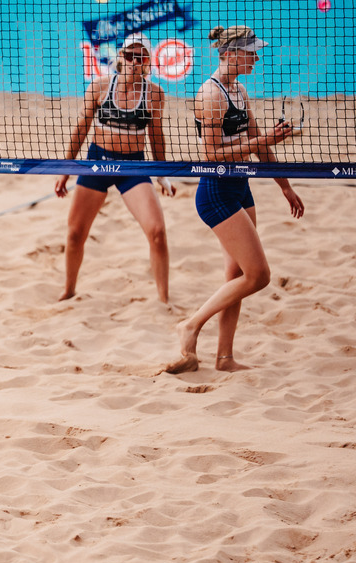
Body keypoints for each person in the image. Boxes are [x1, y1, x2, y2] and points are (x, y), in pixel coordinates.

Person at [166, 26, 304, 374]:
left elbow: (260, 142)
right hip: (215, 191)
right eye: (251, 51)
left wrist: (284, 186)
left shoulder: (238, 90)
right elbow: (212, 154)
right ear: (230, 54)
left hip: (241, 186)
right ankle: (190, 325)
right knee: (258, 276)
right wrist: (261, 142)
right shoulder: (210, 95)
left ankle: (224, 358)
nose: (257, 57)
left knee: (237, 273)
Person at [54, 33, 176, 304]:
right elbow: (81, 129)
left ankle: (164, 300)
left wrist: (162, 174)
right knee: (75, 234)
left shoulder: (154, 93)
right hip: (97, 163)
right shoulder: (99, 87)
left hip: (133, 165)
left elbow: (157, 136)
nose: (135, 61)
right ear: (120, 57)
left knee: (157, 232)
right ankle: (69, 290)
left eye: (141, 56)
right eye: (130, 55)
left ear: (147, 62)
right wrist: (66, 169)